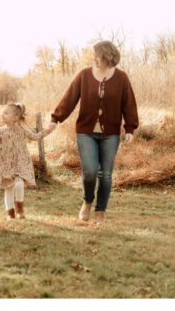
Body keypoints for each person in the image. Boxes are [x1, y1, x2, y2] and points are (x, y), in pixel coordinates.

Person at [47, 41, 139, 225]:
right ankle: (87, 201)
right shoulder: (84, 75)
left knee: (105, 174)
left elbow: (128, 104)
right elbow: (69, 98)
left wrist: (130, 128)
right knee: (90, 172)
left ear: (108, 57)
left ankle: (100, 211)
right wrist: (55, 119)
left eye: (98, 56)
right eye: (94, 56)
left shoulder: (121, 78)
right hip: (86, 132)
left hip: (111, 134)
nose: (94, 59)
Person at [0, 103, 54, 220]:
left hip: (21, 161)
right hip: (6, 163)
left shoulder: (22, 129)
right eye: (3, 112)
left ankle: (20, 208)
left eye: (6, 113)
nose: (2, 114)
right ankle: (10, 213)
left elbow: (35, 137)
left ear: (15, 118)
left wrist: (48, 130)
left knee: (19, 184)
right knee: (8, 188)